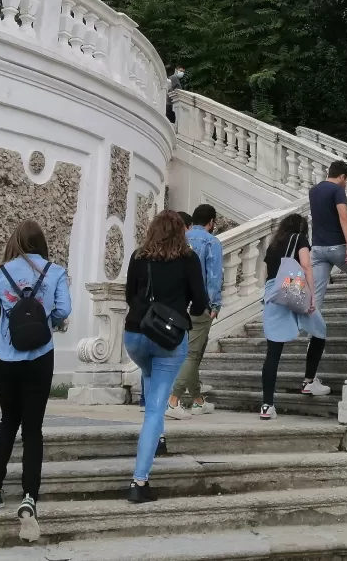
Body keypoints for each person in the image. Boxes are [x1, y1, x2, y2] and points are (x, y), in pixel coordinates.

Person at [0, 220, 71, 541]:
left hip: (5, 358)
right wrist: (45, 317)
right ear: (41, 242)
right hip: (41, 357)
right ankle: (29, 496)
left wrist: (9, 313)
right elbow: (63, 310)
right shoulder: (55, 271)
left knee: (7, 421)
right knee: (33, 428)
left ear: (15, 241)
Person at [124, 210, 208, 503]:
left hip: (135, 335)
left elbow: (129, 295)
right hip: (168, 340)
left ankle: (157, 441)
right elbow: (200, 305)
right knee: (155, 409)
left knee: (150, 376)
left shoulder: (138, 256)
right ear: (181, 232)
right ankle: (139, 481)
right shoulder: (188, 259)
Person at [260, 213, 329, 419]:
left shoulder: (273, 246)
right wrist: (311, 296)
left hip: (274, 292)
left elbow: (268, 275)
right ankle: (309, 381)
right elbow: (306, 265)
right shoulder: (299, 238)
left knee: (273, 350)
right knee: (320, 331)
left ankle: (267, 406)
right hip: (296, 287)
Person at [168, 204, 223, 417]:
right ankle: (174, 400)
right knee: (191, 354)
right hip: (199, 305)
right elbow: (214, 277)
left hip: (177, 304)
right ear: (211, 222)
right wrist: (214, 305)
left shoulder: (180, 238)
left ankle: (198, 400)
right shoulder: (211, 242)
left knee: (191, 353)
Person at [308, 161, 347, 336]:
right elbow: (344, 217)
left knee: (317, 291)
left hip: (317, 248)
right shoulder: (337, 190)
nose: (346, 184)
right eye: (346, 180)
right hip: (336, 246)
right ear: (341, 176)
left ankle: (313, 331)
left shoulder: (314, 191)